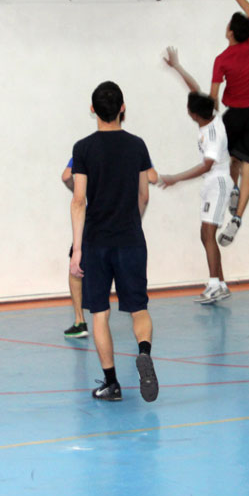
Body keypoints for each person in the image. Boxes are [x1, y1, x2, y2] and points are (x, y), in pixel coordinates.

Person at [70, 81, 159, 402]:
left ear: (92, 109)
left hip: (96, 242)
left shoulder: (83, 148)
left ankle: (111, 383)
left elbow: (79, 200)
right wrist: (133, 220)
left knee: (100, 313)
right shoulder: (137, 145)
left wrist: (77, 249)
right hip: (130, 238)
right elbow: (144, 194)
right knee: (139, 308)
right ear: (123, 108)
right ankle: (144, 351)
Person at [157, 91, 233, 304]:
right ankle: (221, 284)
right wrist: (180, 72)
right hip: (211, 184)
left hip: (218, 184)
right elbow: (195, 89)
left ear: (194, 114)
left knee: (208, 233)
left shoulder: (213, 136)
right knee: (205, 234)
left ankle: (214, 285)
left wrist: (175, 178)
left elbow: (206, 166)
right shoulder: (212, 118)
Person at [209, 0, 249, 247]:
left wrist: (211, 120)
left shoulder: (222, 59)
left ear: (230, 32)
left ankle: (232, 189)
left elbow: (213, 97)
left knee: (225, 158)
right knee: (248, 169)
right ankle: (237, 218)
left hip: (235, 115)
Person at [60, 159, 88, 338]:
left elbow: (66, 176)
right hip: (120, 220)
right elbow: (153, 177)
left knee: (76, 268)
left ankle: (80, 320)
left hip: (92, 218)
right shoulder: (129, 149)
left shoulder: (85, 150)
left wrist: (78, 190)